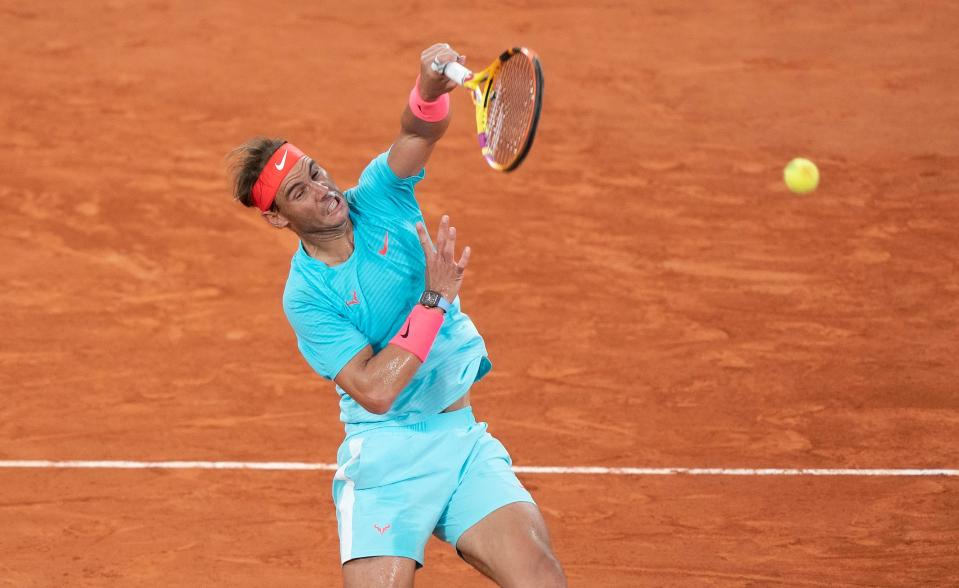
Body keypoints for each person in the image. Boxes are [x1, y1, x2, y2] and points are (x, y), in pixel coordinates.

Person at [228, 43, 566, 587]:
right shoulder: (306, 296)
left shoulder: (381, 196)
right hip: (386, 457)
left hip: (459, 438)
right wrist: (432, 301)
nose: (323, 192)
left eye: (316, 173)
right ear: (276, 217)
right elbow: (374, 390)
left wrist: (426, 92)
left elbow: (417, 134)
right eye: (300, 192)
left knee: (541, 578)